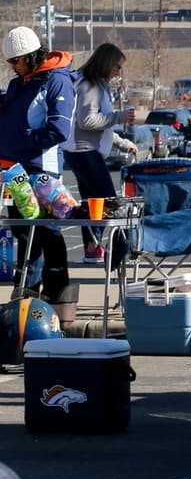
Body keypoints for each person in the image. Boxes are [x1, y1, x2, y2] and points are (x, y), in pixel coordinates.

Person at [0, 26, 76, 301]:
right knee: (22, 232)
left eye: (15, 61)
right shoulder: (18, 82)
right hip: (14, 169)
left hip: (41, 171)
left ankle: (58, 291)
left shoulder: (55, 80)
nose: (12, 67)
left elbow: (59, 130)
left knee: (46, 228)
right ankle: (26, 292)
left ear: (30, 56)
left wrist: (22, 139)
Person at [63, 43, 136, 263]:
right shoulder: (90, 86)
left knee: (93, 203)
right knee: (110, 202)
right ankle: (119, 252)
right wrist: (118, 117)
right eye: (117, 66)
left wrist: (121, 142)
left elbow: (99, 125)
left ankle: (92, 248)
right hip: (84, 152)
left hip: (84, 151)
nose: (118, 72)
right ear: (106, 63)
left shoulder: (97, 85)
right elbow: (87, 121)